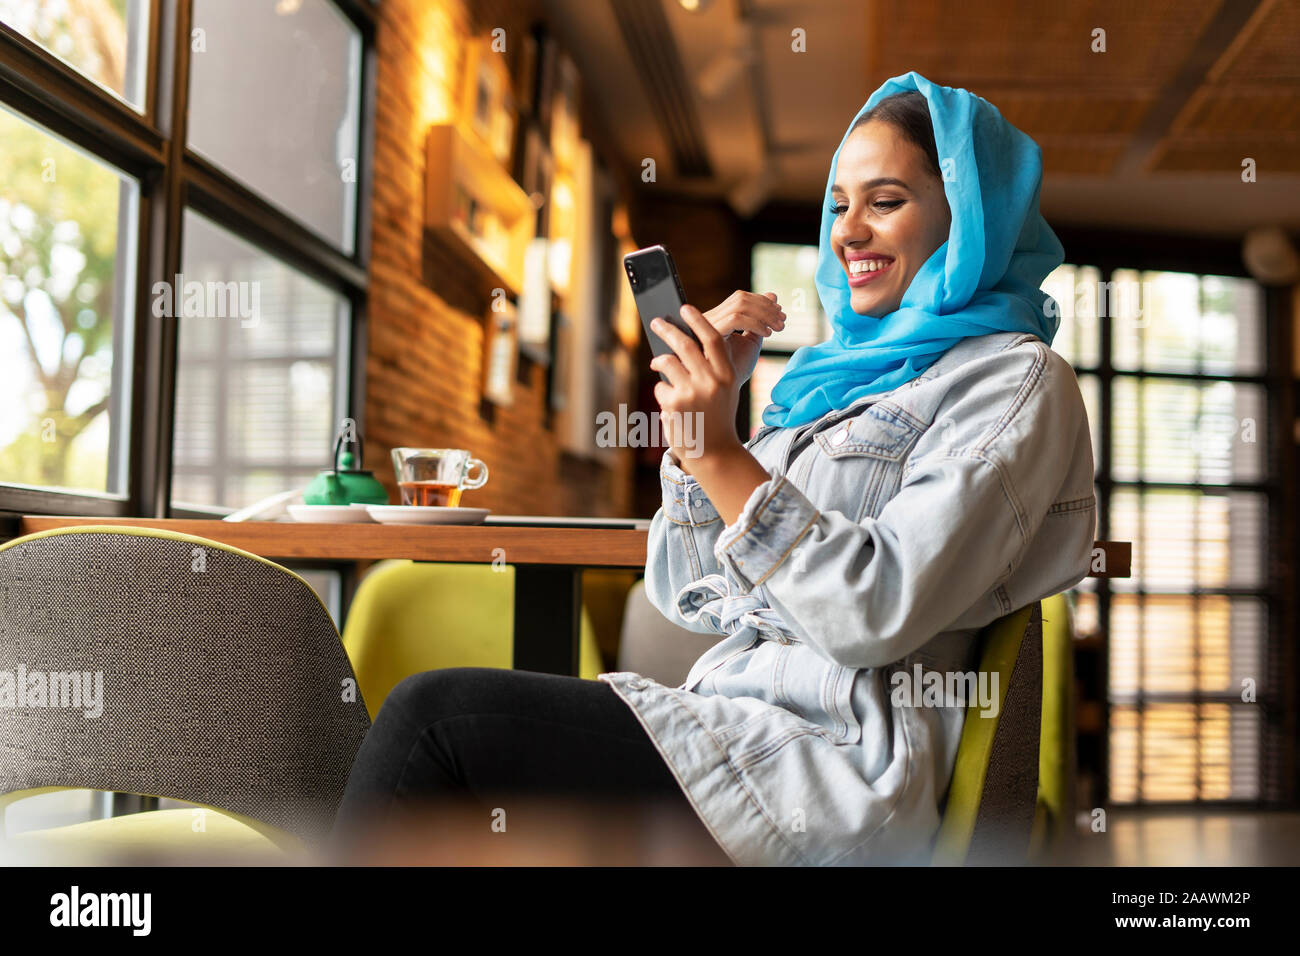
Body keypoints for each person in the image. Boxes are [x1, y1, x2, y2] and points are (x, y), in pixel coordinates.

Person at [330, 71, 1097, 866]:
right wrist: (716, 423)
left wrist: (720, 453)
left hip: (831, 767)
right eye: (838, 205)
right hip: (729, 722)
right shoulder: (835, 385)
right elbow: (691, 594)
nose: (849, 232)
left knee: (436, 720)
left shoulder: (1014, 379)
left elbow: (875, 610)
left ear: (966, 215)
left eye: (886, 200)